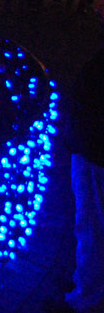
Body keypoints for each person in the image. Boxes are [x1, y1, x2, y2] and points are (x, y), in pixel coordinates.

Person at [63, 45, 104, 313]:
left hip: (96, 149)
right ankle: (84, 285)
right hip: (92, 144)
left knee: (92, 223)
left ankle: (85, 300)